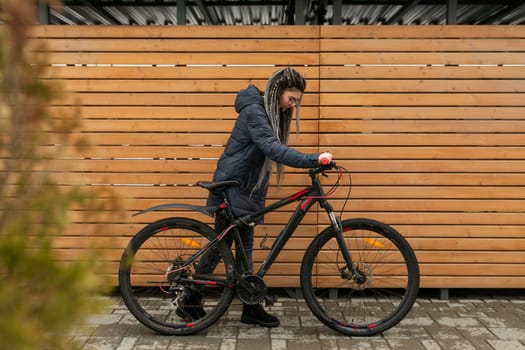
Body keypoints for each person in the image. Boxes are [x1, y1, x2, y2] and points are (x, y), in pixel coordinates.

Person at [177, 67, 332, 327]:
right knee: (221, 248)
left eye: (296, 102)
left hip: (246, 188)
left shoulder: (264, 112)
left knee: (237, 249)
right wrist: (312, 159)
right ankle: (193, 300)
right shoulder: (254, 112)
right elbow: (273, 148)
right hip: (234, 187)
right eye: (290, 100)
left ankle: (249, 307)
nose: (290, 106)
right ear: (276, 93)